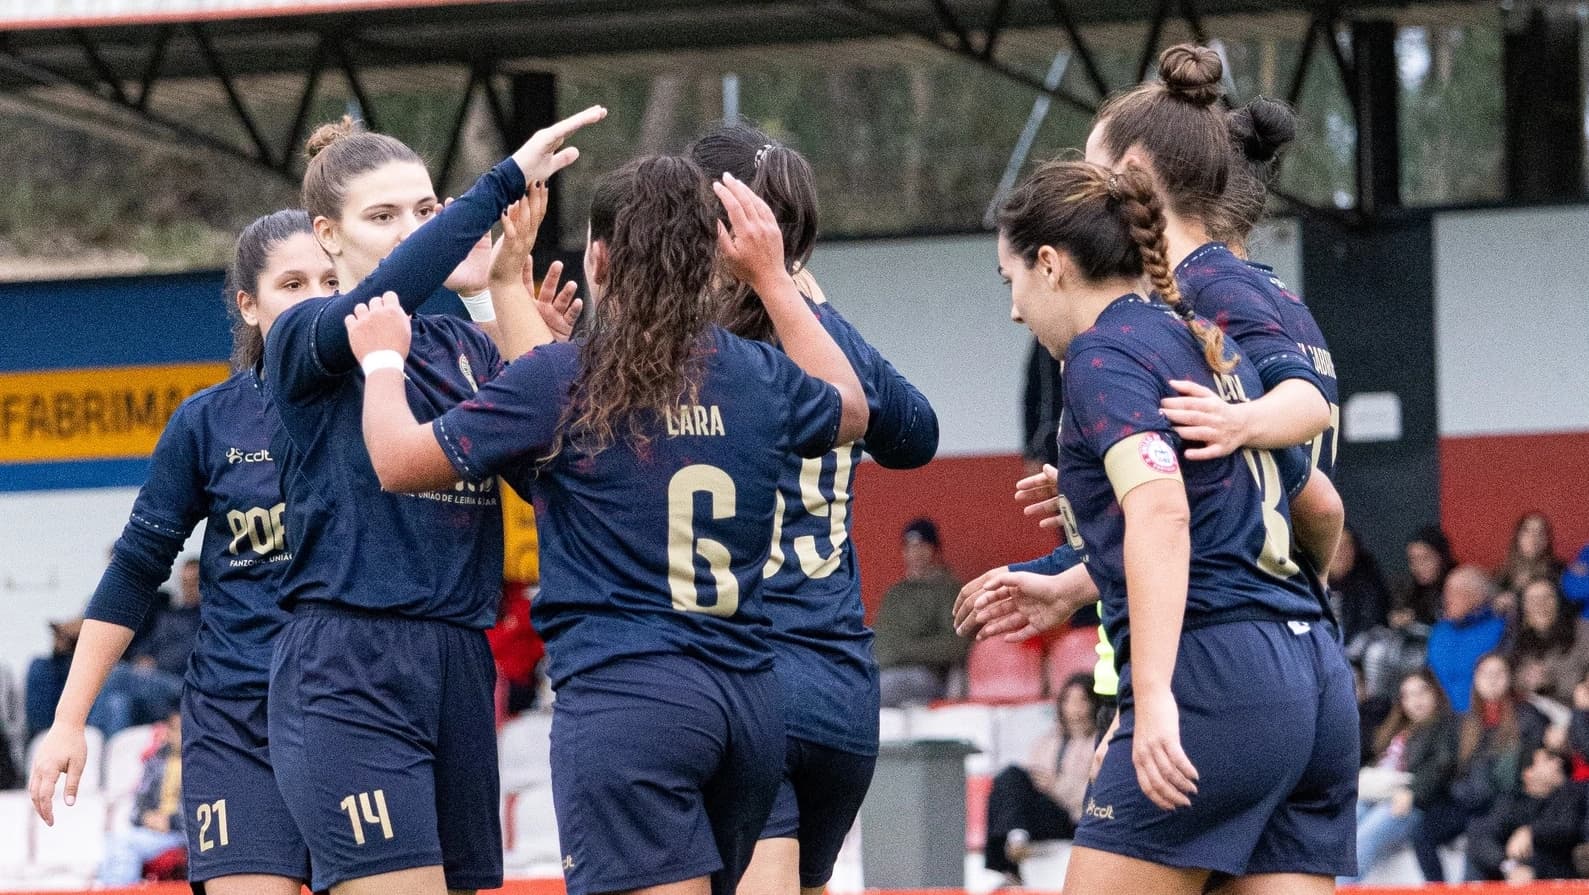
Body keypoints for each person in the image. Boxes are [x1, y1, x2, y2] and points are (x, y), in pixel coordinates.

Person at [345, 160, 869, 895]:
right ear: (713, 260)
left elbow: (399, 461)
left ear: (597, 259)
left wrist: (379, 363)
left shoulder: (567, 375)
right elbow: (850, 405)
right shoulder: (754, 371)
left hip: (630, 705)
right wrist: (776, 280)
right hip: (747, 707)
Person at [992, 153, 1354, 894]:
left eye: (1012, 282)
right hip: (1313, 681)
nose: (1015, 310)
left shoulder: (1101, 356)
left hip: (1210, 683)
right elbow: (1318, 505)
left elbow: (1162, 511)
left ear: (1052, 265)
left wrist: (1150, 700)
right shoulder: (1208, 342)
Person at [262, 107, 602, 895]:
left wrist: (503, 302)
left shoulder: (464, 346)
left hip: (456, 659)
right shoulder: (307, 334)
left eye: (423, 212)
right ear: (327, 236)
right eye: (381, 216)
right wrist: (504, 179)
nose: (410, 231)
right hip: (350, 664)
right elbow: (390, 288)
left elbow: (566, 470)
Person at [28, 210, 336, 895]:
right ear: (250, 305)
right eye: (292, 282)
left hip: (356, 710)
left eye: (331, 279)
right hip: (237, 719)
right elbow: (136, 568)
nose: (315, 296)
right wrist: (69, 720)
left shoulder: (387, 402)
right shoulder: (209, 420)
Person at [687, 123, 939, 895]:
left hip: (751, 681)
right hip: (840, 692)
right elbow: (915, 434)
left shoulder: (699, 356)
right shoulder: (827, 343)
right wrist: (795, 287)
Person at [1411, 653, 1547, 881]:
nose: (1492, 680)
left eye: (1499, 673)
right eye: (1485, 674)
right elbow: (1450, 769)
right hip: (1468, 802)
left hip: (1505, 802)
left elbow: (1526, 772)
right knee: (1423, 830)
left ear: (1510, 678)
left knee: (1478, 835)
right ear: (1475, 679)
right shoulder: (1464, 721)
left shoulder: (1528, 717)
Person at [1344, 669, 1458, 884]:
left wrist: (1412, 792)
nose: (1416, 701)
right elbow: (1378, 761)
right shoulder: (1397, 727)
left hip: (1411, 803)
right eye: (1408, 695)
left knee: (1361, 842)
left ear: (1435, 693)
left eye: (1421, 692)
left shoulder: (1445, 726)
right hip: (1377, 794)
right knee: (1341, 835)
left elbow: (1440, 767)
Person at [984, 675, 1100, 884]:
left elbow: (1096, 795)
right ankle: (1016, 838)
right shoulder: (1045, 741)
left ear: (1093, 703)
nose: (1074, 707)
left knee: (1014, 787)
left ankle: (1010, 865)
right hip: (1041, 812)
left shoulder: (1100, 744)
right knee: (1009, 777)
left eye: (1081, 700)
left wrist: (1057, 785)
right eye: (1069, 700)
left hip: (1073, 818)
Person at [874, 519, 968, 706]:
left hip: (927, 677)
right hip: (883, 670)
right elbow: (879, 636)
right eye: (909, 547)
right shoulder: (895, 593)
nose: (915, 553)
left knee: (876, 688)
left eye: (922, 547)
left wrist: (904, 651)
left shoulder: (948, 591)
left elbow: (956, 645)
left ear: (935, 550)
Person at [1465, 748, 1585, 882]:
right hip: (1514, 879)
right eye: (1548, 760)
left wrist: (1531, 832)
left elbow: (1567, 827)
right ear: (1528, 772)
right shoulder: (1512, 804)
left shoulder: (1573, 795)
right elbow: (1482, 836)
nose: (1558, 762)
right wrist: (1509, 867)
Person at [97, 712, 185, 886]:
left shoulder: (201, 767)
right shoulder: (155, 762)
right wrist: (147, 818)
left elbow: (203, 810)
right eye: (175, 729)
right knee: (114, 839)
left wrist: (171, 821)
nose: (179, 735)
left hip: (184, 833)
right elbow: (137, 807)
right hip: (155, 831)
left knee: (125, 844)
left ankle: (118, 890)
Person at [1428, 566, 1507, 713]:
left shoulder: (1501, 628)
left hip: (1480, 718)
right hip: (1440, 720)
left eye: (1455, 593)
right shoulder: (1439, 631)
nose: (1446, 600)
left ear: (1477, 596)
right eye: (1446, 593)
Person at [1507, 577, 1589, 705]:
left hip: (1576, 710)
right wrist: (1524, 680)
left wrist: (1551, 680)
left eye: (1548, 597)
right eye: (1533, 599)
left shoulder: (1582, 630)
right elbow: (1507, 678)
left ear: (1559, 602)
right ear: (1523, 608)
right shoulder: (1514, 637)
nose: (1540, 604)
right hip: (1533, 712)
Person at [132, 558, 202, 678]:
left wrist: (156, 663)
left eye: (194, 582)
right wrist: (141, 657)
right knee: (117, 695)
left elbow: (191, 651)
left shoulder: (209, 620)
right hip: (151, 677)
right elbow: (148, 643)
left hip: (179, 680)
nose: (189, 588)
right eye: (185, 582)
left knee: (116, 676)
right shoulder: (168, 615)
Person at [1330, 527, 1392, 645]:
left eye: (1346, 545)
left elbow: (1370, 625)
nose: (1340, 552)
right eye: (1335, 545)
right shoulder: (1308, 586)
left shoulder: (1369, 585)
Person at [1497, 512, 1566, 611]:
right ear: (1517, 536)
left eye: (1540, 532)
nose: (1533, 537)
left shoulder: (1559, 571)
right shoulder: (1502, 573)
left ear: (1547, 541)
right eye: (1527, 530)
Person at [1397, 526, 1457, 626]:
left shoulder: (1459, 584)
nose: (1418, 566)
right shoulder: (1412, 587)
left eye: (1425, 558)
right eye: (1412, 560)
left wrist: (1416, 618)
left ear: (1442, 557)